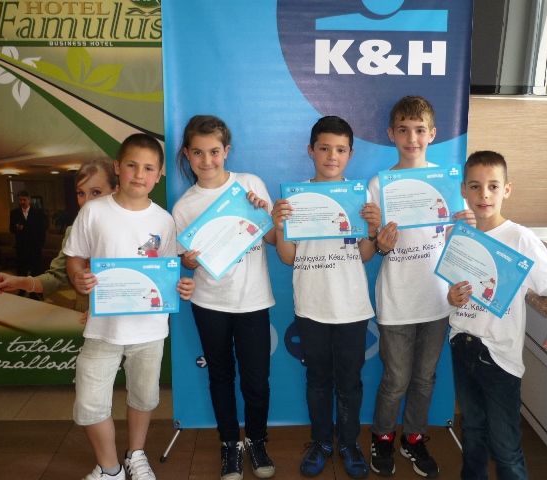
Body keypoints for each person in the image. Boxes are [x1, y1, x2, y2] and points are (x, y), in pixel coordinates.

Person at [65, 134, 196, 480]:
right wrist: (78, 277)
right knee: (90, 402)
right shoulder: (94, 212)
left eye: (149, 168)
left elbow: (166, 272)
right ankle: (110, 469)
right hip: (102, 329)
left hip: (149, 330)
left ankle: (135, 455)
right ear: (117, 167)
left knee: (144, 397)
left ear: (159, 175)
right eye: (132, 165)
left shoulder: (164, 220)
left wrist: (181, 286)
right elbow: (75, 257)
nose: (140, 174)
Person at [447, 150, 547, 480]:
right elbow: (450, 291)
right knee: (472, 429)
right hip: (461, 344)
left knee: (505, 445)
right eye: (475, 186)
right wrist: (451, 296)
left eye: (493, 186)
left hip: (499, 356)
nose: (484, 195)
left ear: (506, 190)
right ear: (463, 190)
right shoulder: (458, 234)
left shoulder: (519, 238)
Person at [368, 95, 475, 478]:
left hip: (437, 299)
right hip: (397, 299)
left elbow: (457, 244)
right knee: (395, 379)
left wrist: (464, 227)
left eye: (419, 130)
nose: (411, 138)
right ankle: (382, 437)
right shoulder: (379, 184)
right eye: (403, 130)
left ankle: (413, 438)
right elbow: (376, 244)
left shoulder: (447, 182)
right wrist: (382, 242)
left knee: (425, 378)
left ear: (432, 134)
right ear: (391, 134)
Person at [271, 116, 381, 479]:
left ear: (350, 153)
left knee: (350, 383)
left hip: (351, 307)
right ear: (311, 150)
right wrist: (280, 226)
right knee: (317, 381)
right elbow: (287, 257)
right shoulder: (294, 198)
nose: (332, 156)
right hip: (311, 306)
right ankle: (321, 441)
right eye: (324, 148)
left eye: (340, 150)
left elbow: (365, 254)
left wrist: (372, 229)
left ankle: (348, 443)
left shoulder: (361, 197)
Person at [171, 115, 277, 480]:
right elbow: (183, 260)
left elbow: (274, 239)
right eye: (198, 153)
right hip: (209, 302)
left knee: (257, 381)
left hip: (253, 300)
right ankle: (230, 443)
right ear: (187, 154)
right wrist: (187, 261)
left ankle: (257, 440)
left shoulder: (249, 184)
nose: (207, 160)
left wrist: (263, 213)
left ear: (226, 151)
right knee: (220, 376)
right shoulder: (184, 206)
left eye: (214, 151)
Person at [0, 158, 118, 313]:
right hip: (84, 317)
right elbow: (57, 277)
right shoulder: (73, 232)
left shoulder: (138, 228)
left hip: (127, 317)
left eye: (96, 192)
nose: (87, 201)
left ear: (116, 191)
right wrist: (19, 282)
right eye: (81, 193)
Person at [9, 189, 47, 297]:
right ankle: (22, 290)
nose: (22, 202)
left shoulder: (38, 213)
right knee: (21, 270)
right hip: (21, 247)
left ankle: (35, 292)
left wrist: (40, 245)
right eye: (20, 200)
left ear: (29, 200)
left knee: (36, 270)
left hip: (35, 247)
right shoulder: (14, 213)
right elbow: (11, 229)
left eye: (24, 199)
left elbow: (42, 230)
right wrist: (16, 228)